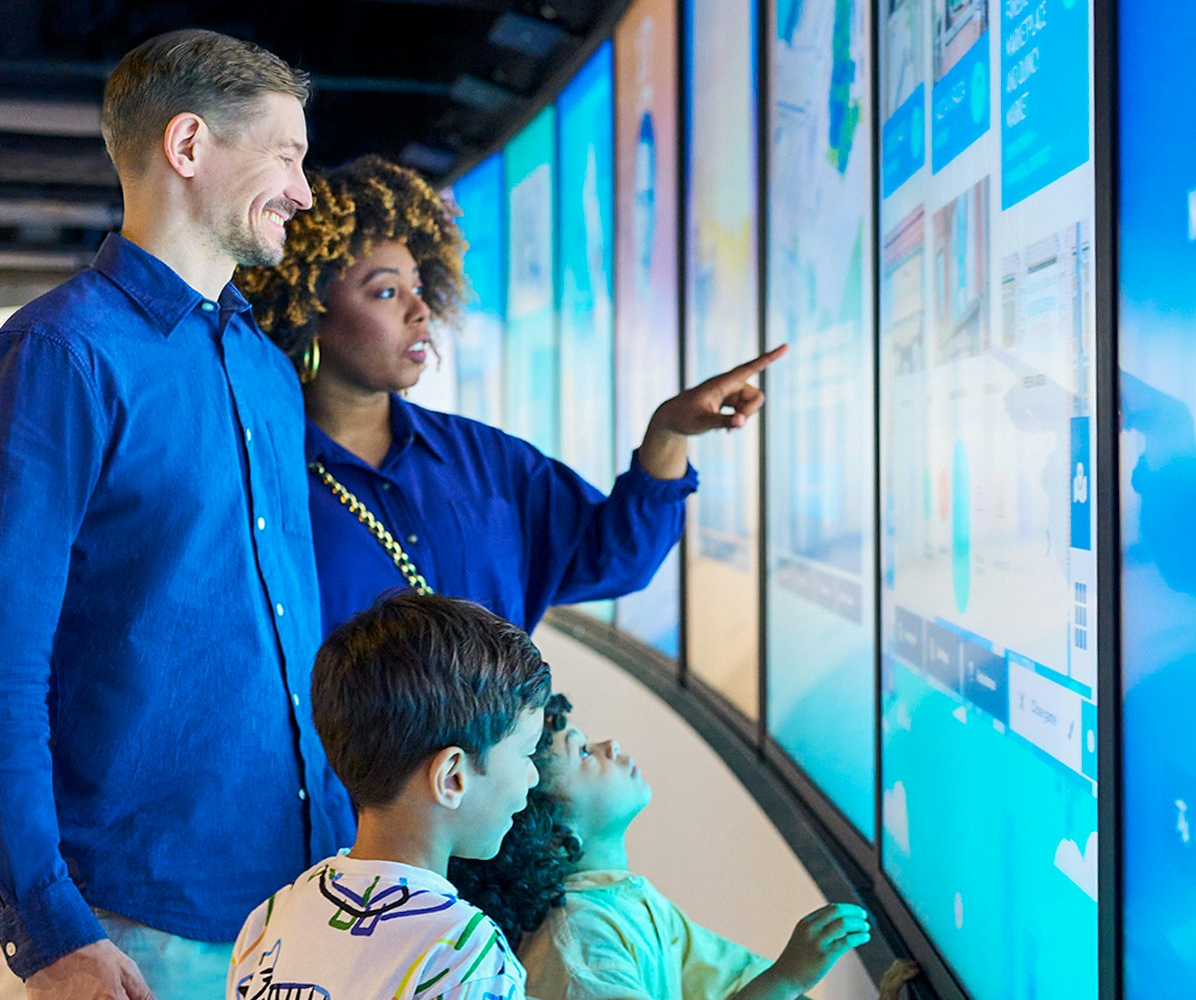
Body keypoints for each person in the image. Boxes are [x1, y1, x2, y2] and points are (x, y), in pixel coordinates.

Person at [0, 29, 346, 999]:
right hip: (144, 925)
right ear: (189, 146)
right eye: (286, 155)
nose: (304, 190)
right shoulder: (58, 359)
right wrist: (45, 925)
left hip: (306, 902)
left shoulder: (267, 373)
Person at [236, 155, 787, 640]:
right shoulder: (257, 475)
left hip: (491, 760)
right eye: (385, 291)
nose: (419, 310)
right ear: (307, 309)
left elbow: (613, 559)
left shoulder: (486, 460)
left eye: (419, 288)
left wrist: (666, 432)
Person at [449, 695, 919, 1000]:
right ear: (550, 829)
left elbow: (727, 981)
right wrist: (788, 978)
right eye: (585, 754)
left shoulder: (621, 898)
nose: (611, 745)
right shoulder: (582, 945)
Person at [225, 593, 552, 999]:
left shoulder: (269, 921)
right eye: (526, 752)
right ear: (452, 777)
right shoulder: (464, 955)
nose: (533, 777)